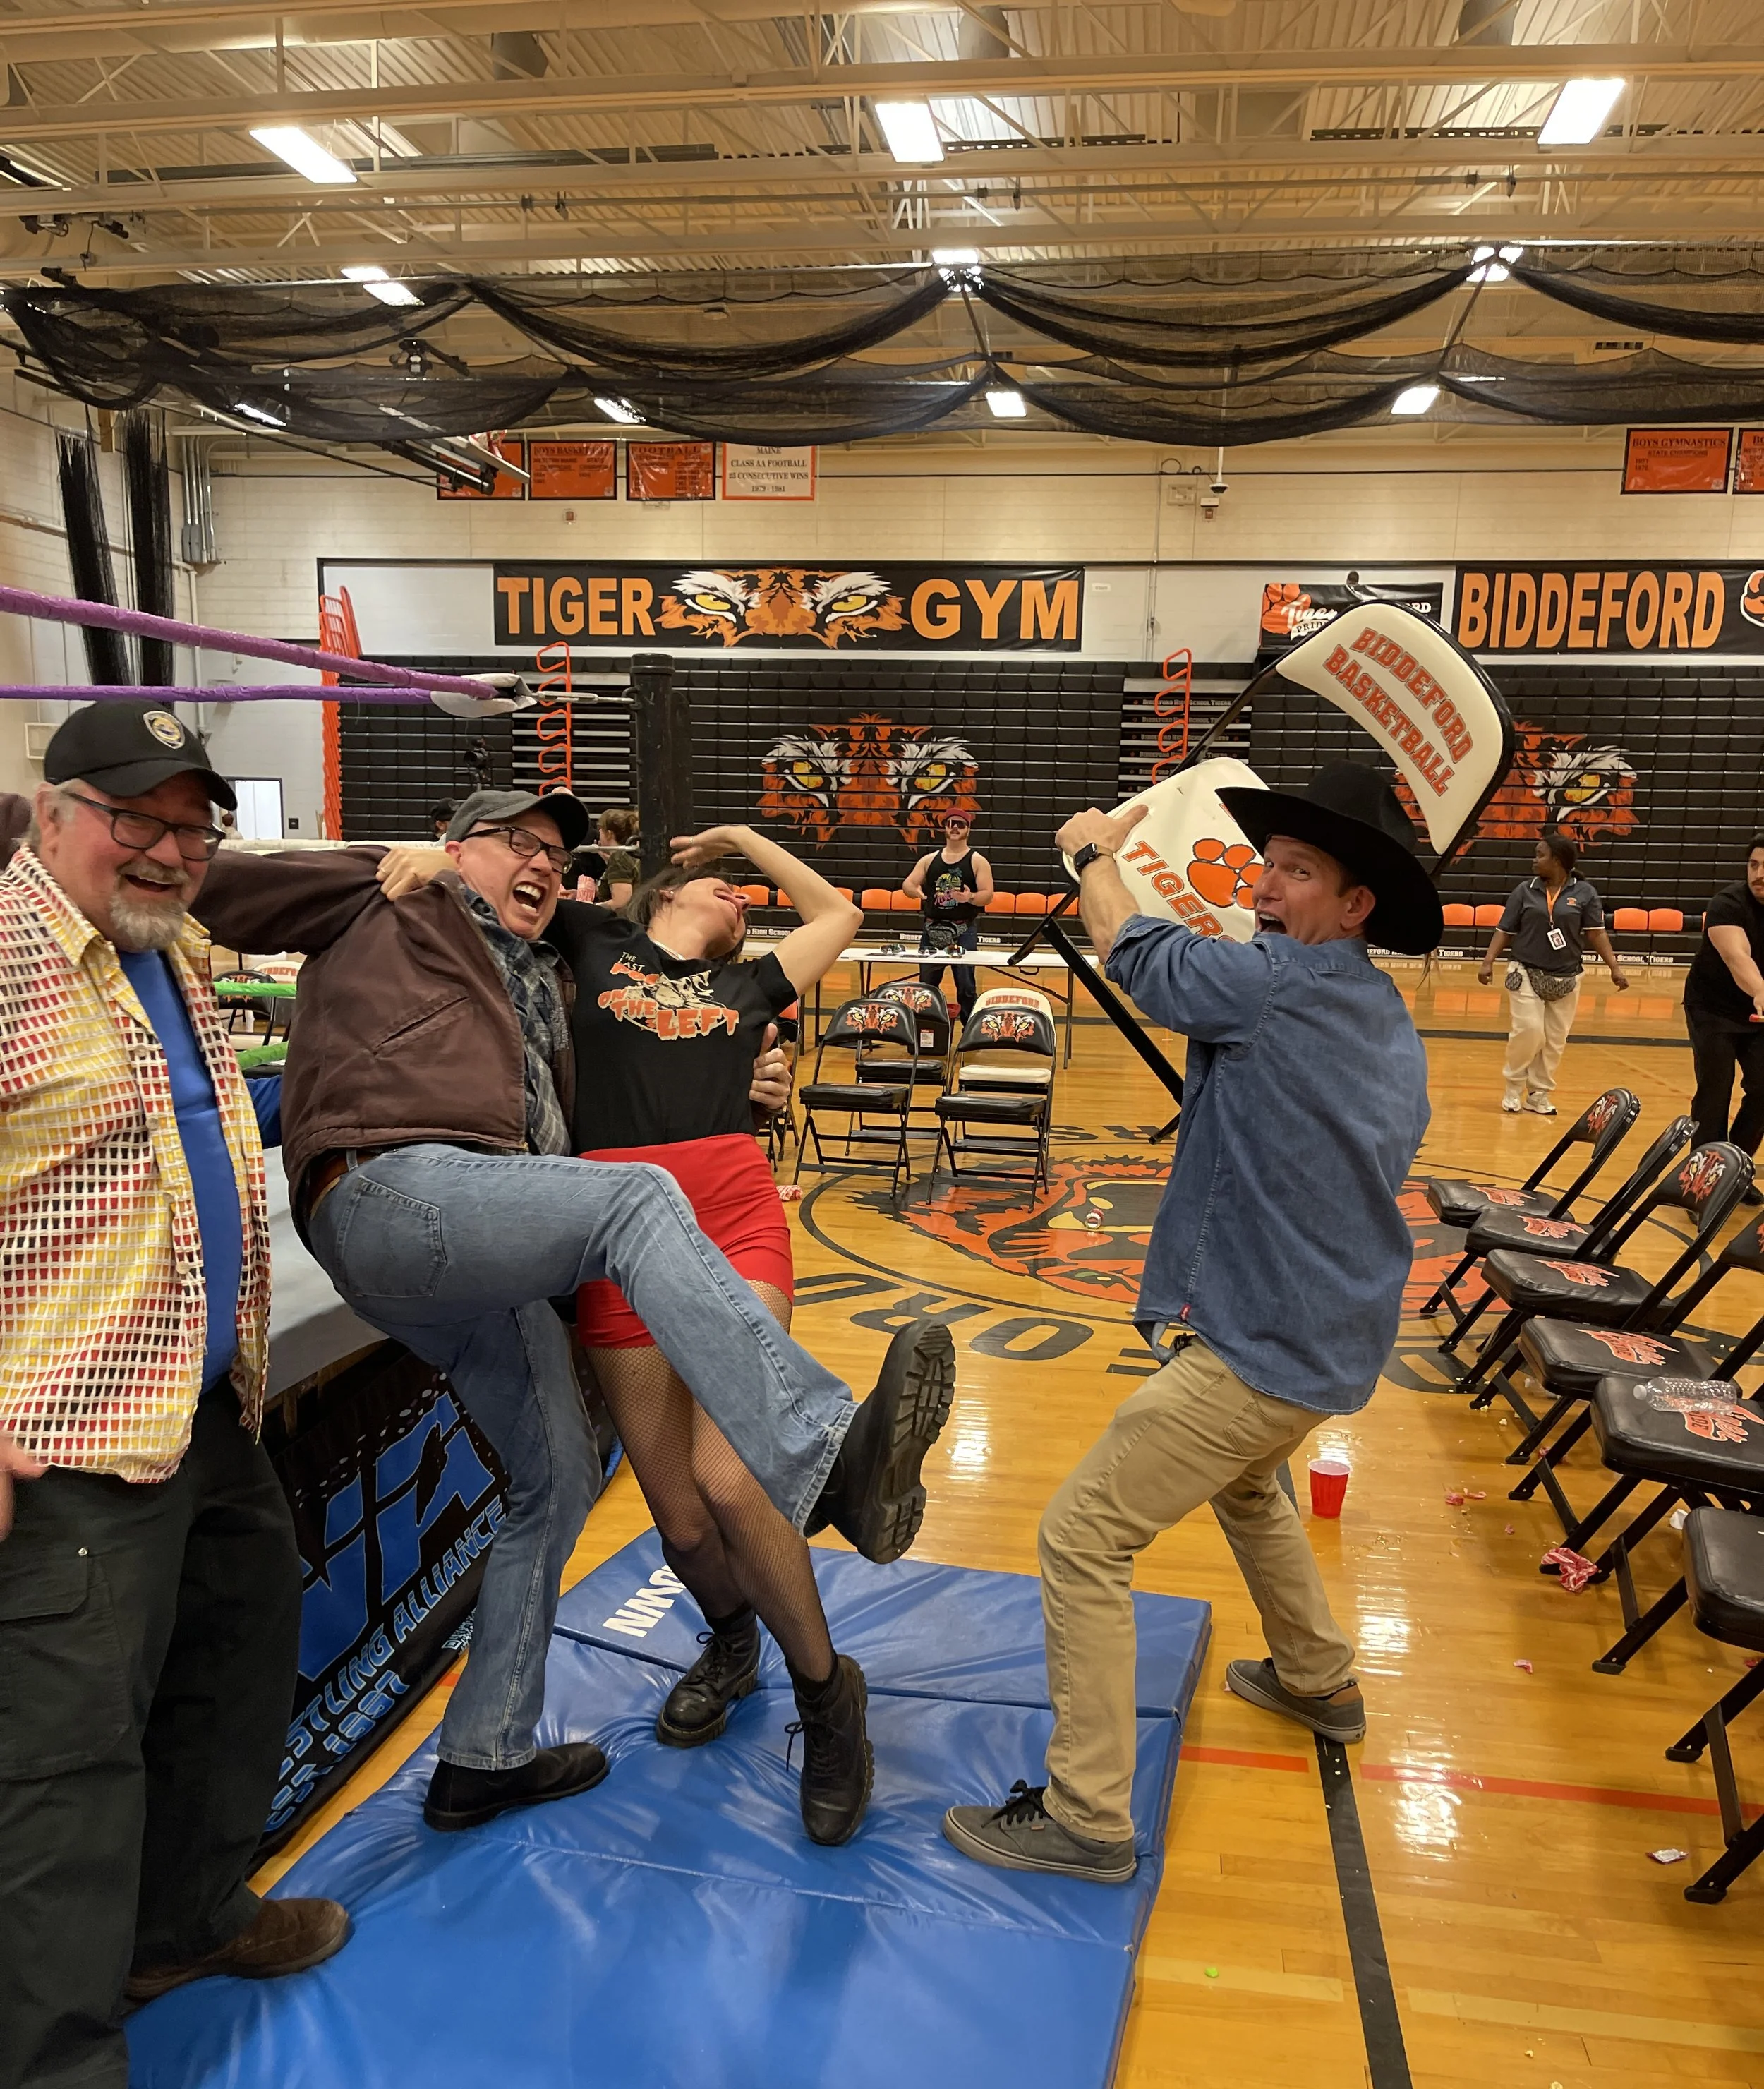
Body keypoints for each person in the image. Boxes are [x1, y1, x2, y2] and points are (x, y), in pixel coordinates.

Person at [191, 790, 955, 1839]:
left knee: (564, 1487)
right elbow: (201, 876)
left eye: (560, 854)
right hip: (454, 1191)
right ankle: (827, 1457)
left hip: (572, 1220)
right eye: (524, 843)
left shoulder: (558, 978)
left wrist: (758, 1082)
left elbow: (580, 1103)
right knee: (648, 1260)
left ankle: (486, 1756)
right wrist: (406, 856)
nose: (548, 864)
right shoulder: (432, 902)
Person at [943, 762, 1437, 1883]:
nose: (1268, 886)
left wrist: (1091, 854)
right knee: (1249, 1485)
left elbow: (1144, 956)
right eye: (1269, 864)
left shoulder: (1277, 989)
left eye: (1299, 873)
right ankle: (1317, 1676)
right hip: (1332, 1341)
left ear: (1357, 907)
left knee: (1080, 1537)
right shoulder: (1376, 1013)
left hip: (1267, 1344)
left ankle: (1087, 1815)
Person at [0, 704, 348, 2089]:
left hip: (198, 1406)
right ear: (51, 808)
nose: (164, 843)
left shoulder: (168, 944)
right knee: (66, 1764)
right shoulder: (10, 953)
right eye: (133, 814)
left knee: (234, 1660)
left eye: (192, 823)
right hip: (66, 1426)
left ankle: (185, 1922)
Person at [385, 819, 873, 1840]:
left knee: (738, 1480)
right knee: (683, 1519)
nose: (743, 899)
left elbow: (841, 912)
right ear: (664, 893)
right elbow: (497, 885)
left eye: (747, 893)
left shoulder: (751, 990)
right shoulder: (596, 941)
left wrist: (742, 837)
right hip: (613, 1226)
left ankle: (830, 1702)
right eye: (725, 884)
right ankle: (733, 1642)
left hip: (729, 1209)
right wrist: (435, 861)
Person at [1478, 827, 1626, 1114]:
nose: (1534, 860)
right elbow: (1504, 930)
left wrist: (1615, 969)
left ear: (1557, 860)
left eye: (1540, 855)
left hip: (1567, 977)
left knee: (1555, 1040)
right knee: (1530, 1031)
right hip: (1525, 972)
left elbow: (1596, 934)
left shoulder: (1585, 893)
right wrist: (1487, 961)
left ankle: (1539, 1094)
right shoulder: (1524, 891)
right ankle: (1513, 1087)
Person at [1684, 836, 1764, 1155]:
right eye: (1753, 865)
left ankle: (1733, 1171)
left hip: (1758, 1015)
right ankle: (1700, 1175)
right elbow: (1737, 958)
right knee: (1715, 1090)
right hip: (1712, 1009)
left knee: (1763, 1090)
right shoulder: (1728, 904)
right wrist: (1760, 989)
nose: (1759, 874)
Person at [905, 812, 993, 1023]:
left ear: (968, 829)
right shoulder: (928, 860)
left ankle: (968, 1030)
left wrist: (969, 897)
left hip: (963, 930)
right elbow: (908, 884)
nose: (955, 827)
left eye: (960, 824)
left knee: (966, 986)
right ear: (944, 827)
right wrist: (914, 891)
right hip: (932, 929)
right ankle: (925, 1029)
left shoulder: (978, 861)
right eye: (950, 823)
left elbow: (987, 895)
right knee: (926, 985)